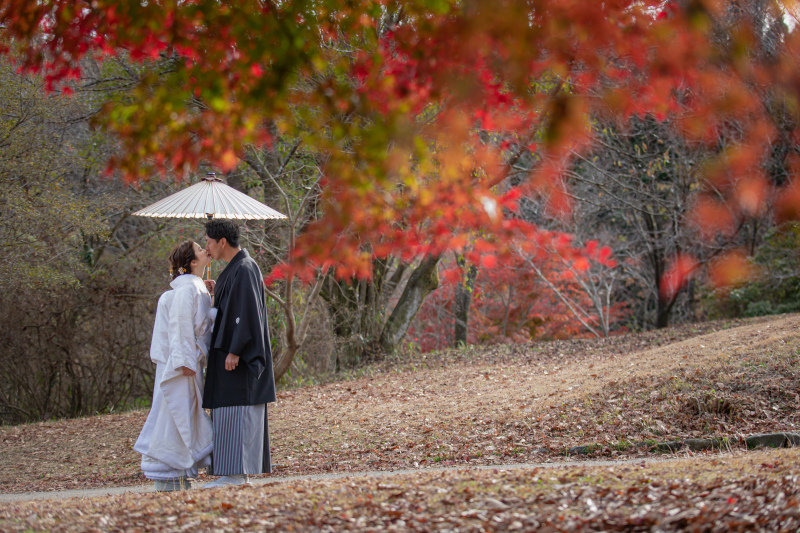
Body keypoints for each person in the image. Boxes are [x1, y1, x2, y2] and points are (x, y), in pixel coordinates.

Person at [134, 240, 215, 492]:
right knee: (176, 411)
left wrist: (206, 292)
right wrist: (184, 361)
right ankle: (170, 471)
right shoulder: (186, 289)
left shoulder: (193, 287)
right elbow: (181, 324)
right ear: (192, 262)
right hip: (183, 364)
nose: (205, 250)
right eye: (200, 249)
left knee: (184, 412)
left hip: (189, 360)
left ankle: (179, 471)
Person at [202, 219, 276, 488]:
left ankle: (236, 474)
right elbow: (232, 304)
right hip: (230, 355)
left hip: (239, 358)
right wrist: (216, 291)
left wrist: (235, 350)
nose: (207, 247)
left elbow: (246, 313)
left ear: (222, 242)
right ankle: (232, 472)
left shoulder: (244, 268)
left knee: (237, 409)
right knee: (228, 409)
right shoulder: (236, 268)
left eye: (209, 242)